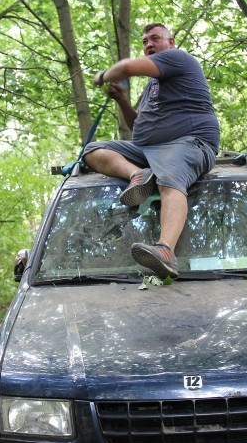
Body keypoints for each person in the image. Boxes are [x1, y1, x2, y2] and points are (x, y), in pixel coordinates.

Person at [83, 23, 220, 279]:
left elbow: (124, 68)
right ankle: (138, 175)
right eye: (145, 41)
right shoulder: (153, 86)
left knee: (169, 177)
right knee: (92, 151)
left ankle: (165, 251)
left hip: (189, 142)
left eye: (155, 38)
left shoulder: (179, 59)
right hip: (148, 150)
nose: (149, 44)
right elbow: (139, 128)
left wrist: (102, 76)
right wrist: (123, 102)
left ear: (171, 42)